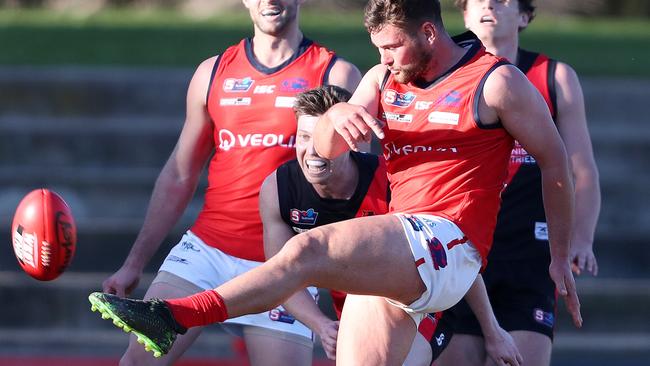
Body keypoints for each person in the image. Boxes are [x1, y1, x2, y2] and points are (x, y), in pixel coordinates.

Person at [88, 1, 581, 365]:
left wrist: (559, 255)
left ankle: (174, 315)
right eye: (378, 49)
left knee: (307, 251)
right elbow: (320, 152)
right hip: (402, 251)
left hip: (447, 244)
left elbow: (556, 163)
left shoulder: (496, 82)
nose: (385, 59)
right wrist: (337, 117)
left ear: (429, 32)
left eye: (392, 47)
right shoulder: (383, 78)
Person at [99, 0, 362, 364]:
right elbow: (180, 172)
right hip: (207, 252)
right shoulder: (213, 72)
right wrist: (134, 262)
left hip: (282, 265)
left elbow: (356, 185)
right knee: (138, 362)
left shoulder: (337, 75)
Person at [261, 85, 520, 365]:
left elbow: (452, 251)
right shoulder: (279, 189)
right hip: (356, 308)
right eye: (304, 137)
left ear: (346, 141)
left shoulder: (392, 182)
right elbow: (281, 275)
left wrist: (492, 330)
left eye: (324, 138)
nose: (313, 151)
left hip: (419, 304)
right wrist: (321, 325)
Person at [435, 1, 601, 365]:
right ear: (463, 15)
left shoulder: (553, 76)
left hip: (528, 253)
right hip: (460, 246)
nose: (489, 5)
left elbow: (582, 169)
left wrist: (581, 238)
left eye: (502, 0)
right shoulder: (446, 75)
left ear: (524, 16)